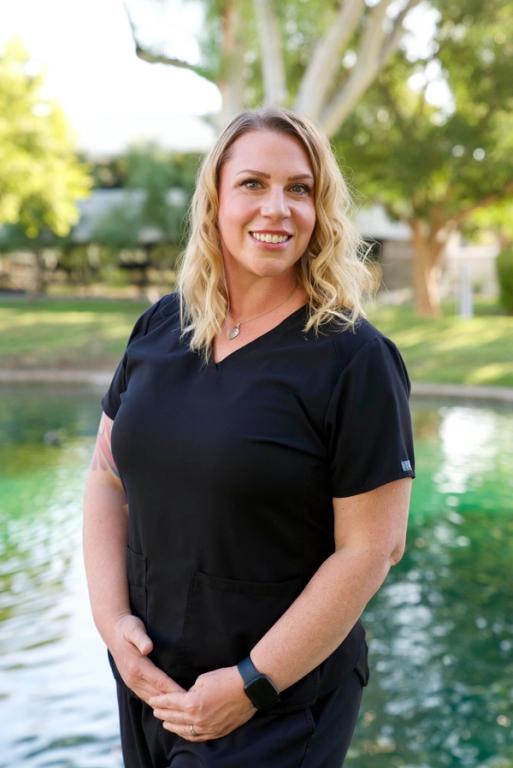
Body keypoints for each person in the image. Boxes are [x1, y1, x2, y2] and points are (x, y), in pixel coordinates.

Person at [83, 106, 415, 768]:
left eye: (299, 189)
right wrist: (112, 627)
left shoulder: (353, 358)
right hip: (150, 684)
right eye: (253, 184)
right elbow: (105, 473)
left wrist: (251, 684)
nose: (278, 209)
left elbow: (371, 549)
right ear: (214, 200)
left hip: (280, 706)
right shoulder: (160, 326)